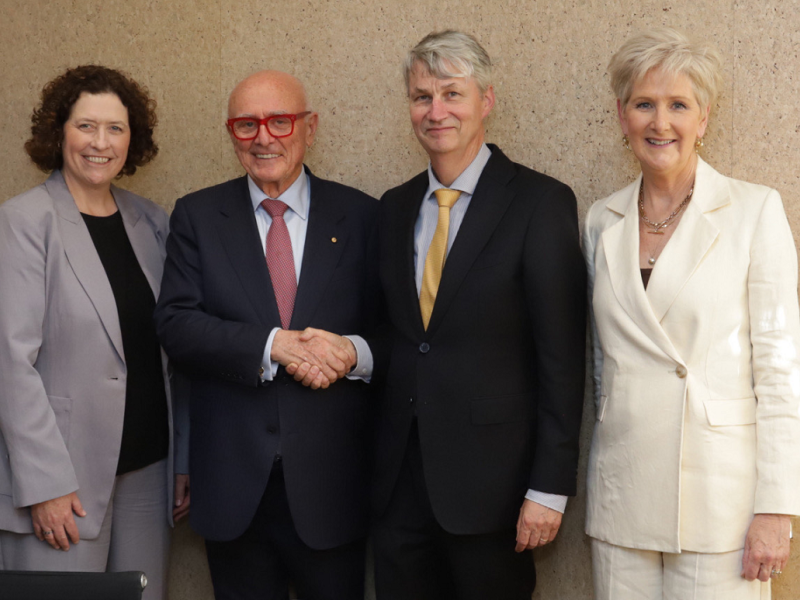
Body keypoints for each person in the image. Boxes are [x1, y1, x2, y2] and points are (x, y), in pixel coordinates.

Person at [583, 27, 800, 599]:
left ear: (703, 119)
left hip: (720, 501)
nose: (661, 122)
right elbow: (604, 364)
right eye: (644, 104)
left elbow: (781, 369)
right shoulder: (600, 221)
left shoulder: (754, 211)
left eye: (679, 105)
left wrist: (777, 507)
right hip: (623, 492)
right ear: (622, 116)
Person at [371, 30, 587, 600]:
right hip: (397, 490)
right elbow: (398, 339)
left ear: (485, 101)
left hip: (495, 492)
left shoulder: (540, 203)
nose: (436, 111)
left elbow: (562, 360)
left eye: (452, 94)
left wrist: (548, 488)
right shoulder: (393, 209)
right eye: (422, 96)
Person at [154, 70, 379, 600]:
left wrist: (352, 354)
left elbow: (395, 333)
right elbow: (175, 323)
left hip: (333, 485)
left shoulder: (365, 216)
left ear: (310, 127)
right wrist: (271, 344)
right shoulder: (198, 215)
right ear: (231, 133)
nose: (263, 137)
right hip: (233, 485)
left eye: (280, 121)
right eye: (246, 124)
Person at [0, 65, 187, 600]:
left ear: (134, 139)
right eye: (86, 126)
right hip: (65, 482)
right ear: (59, 131)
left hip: (148, 475)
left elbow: (172, 349)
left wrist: (182, 460)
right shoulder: (23, 222)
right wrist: (45, 485)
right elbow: (10, 364)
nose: (100, 143)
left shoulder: (151, 221)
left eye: (116, 128)